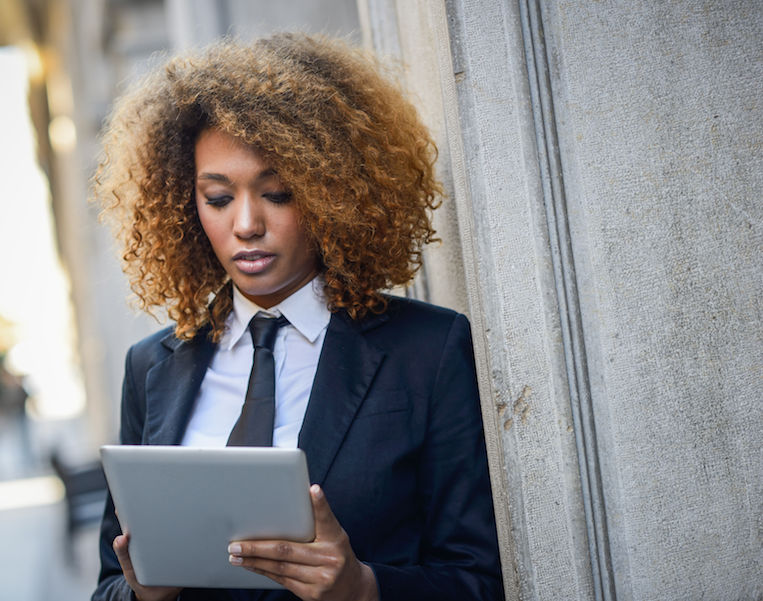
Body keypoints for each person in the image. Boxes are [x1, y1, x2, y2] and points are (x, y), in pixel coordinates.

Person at [91, 32, 503, 601]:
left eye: (278, 193)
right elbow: (109, 584)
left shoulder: (427, 352)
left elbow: (478, 581)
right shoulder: (150, 368)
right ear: (188, 207)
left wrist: (363, 588)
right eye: (217, 198)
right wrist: (143, 594)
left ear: (332, 192)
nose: (246, 224)